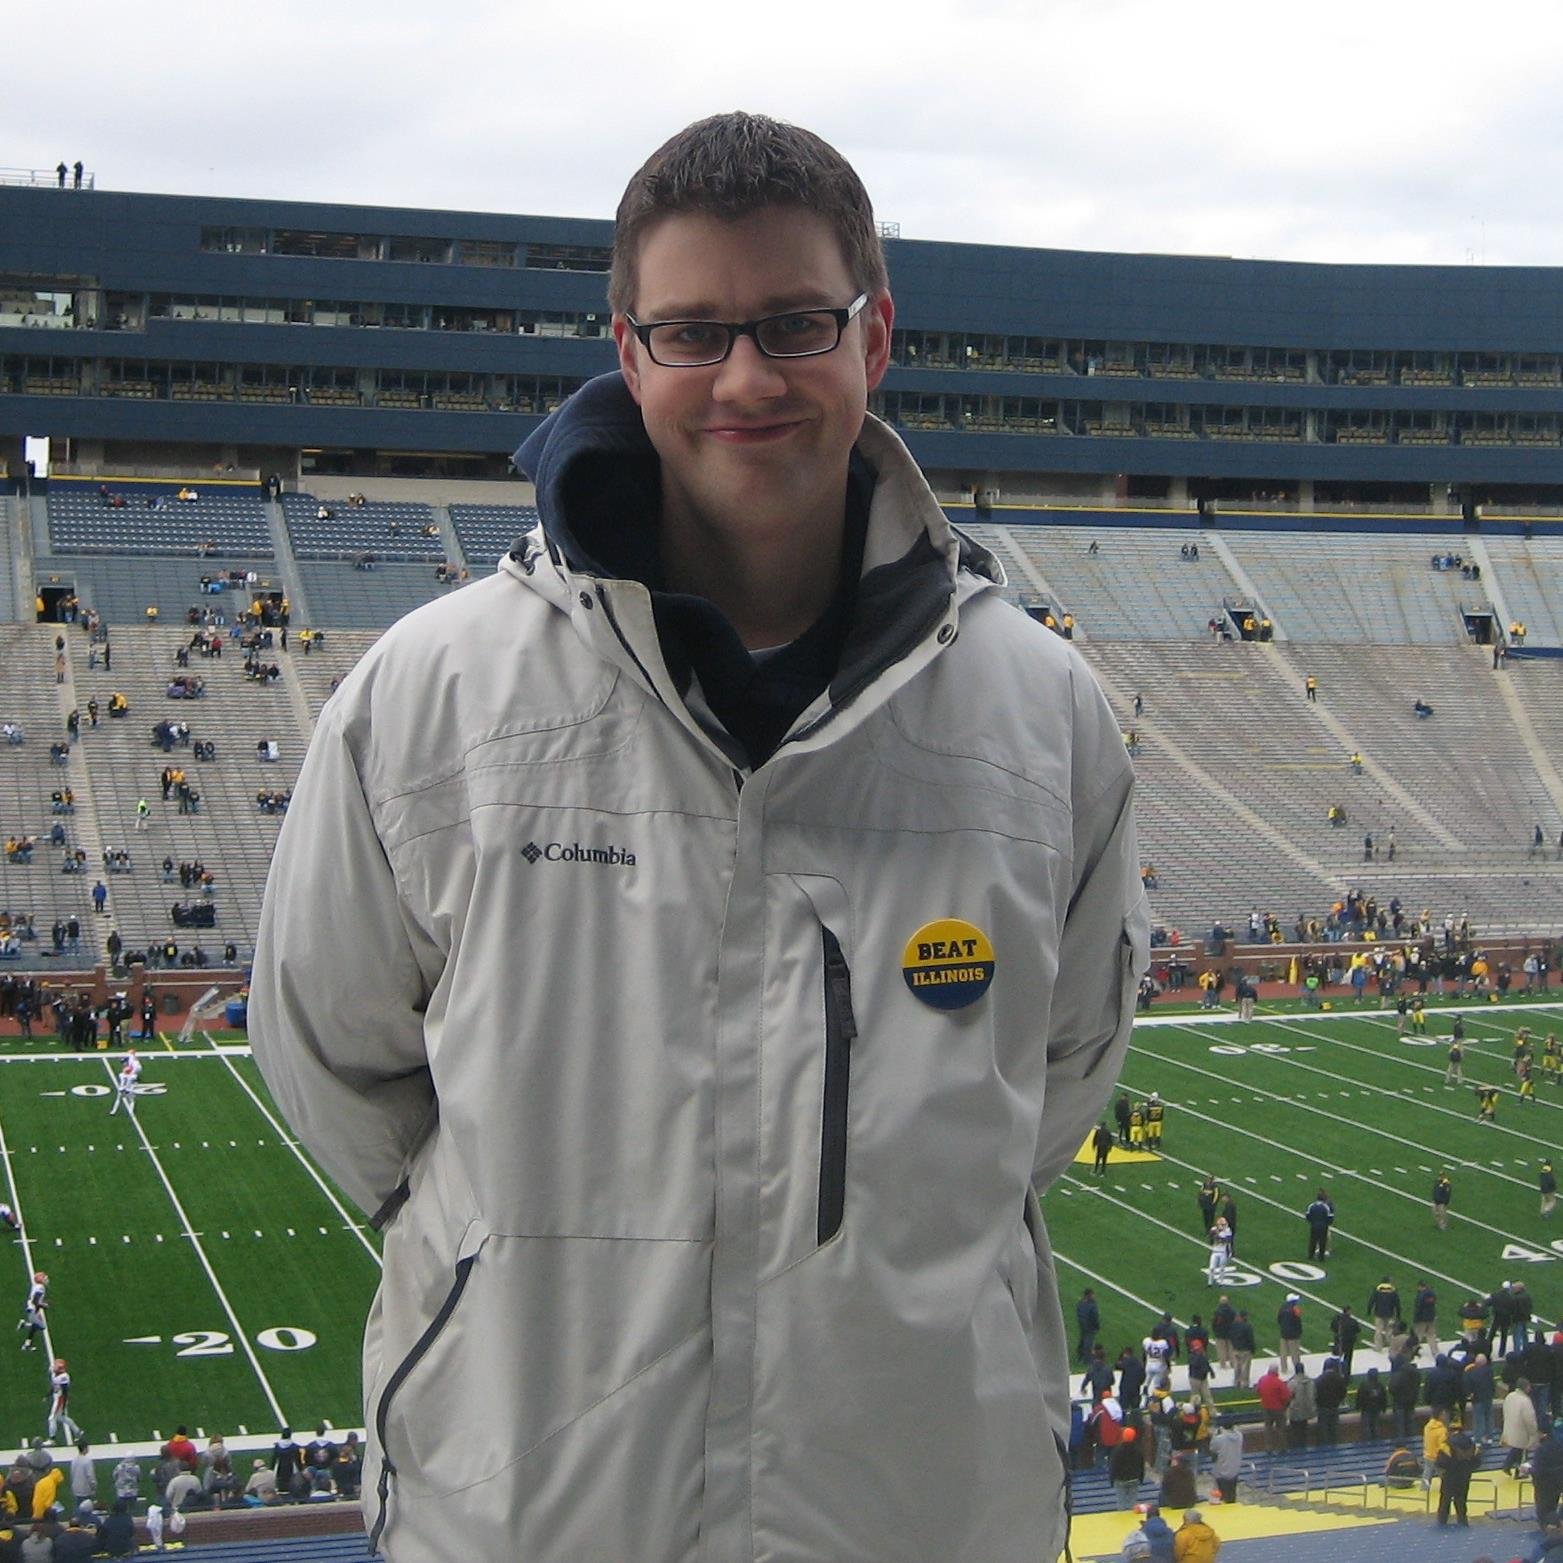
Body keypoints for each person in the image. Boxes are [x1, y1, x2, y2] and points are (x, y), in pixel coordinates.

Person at [248, 111, 1151, 1563]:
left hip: (917, 1511)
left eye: (793, 322)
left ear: (874, 337)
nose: (743, 377)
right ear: (627, 349)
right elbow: (330, 1057)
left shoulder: (1040, 714)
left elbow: (1059, 1072)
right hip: (535, 1510)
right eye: (691, 332)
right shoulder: (432, 696)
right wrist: (512, 1253)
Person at [1435, 1423, 1479, 1527]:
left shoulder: (1447, 1444)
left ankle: (1442, 1522)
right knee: (1461, 1500)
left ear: (1450, 1431)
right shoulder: (1471, 1443)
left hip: (1449, 1476)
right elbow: (1477, 1462)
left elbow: (1440, 1462)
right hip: (1464, 1476)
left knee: (1445, 1499)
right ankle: (1463, 1521)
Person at [1207, 1418, 1242, 1504]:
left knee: (1221, 1496)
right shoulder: (1240, 1436)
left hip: (1221, 1470)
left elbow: (1212, 1448)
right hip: (1235, 1469)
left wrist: (1215, 1434)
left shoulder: (1219, 1439)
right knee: (1232, 1494)